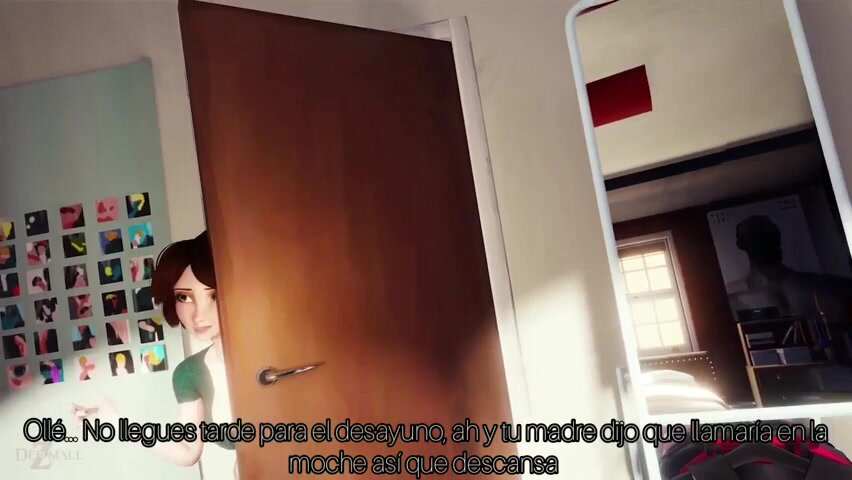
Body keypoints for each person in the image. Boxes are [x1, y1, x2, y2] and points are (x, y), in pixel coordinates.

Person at [71, 231, 238, 479]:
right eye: (184, 297)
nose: (198, 313)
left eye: (212, 295)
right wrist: (118, 423)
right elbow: (188, 450)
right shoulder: (189, 373)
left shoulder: (274, 350)